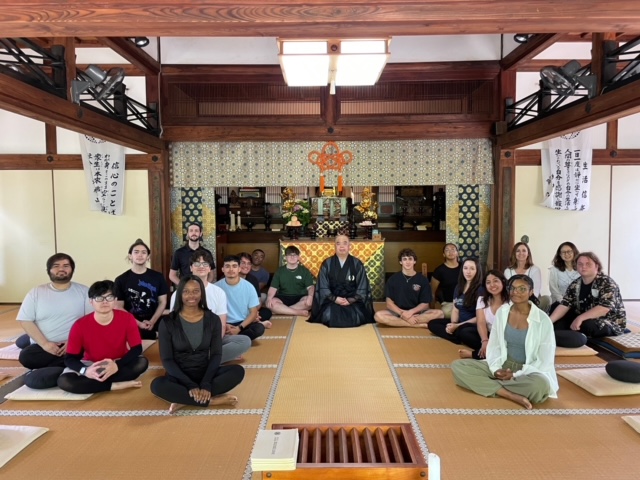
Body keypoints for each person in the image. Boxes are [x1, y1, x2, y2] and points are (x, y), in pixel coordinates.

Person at [451, 275, 558, 409]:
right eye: (512, 288)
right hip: (502, 363)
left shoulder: (543, 320)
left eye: (522, 289)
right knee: (458, 366)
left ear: (531, 292)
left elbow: (545, 360)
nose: (516, 292)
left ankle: (489, 386)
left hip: (528, 370)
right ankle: (509, 394)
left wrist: (515, 374)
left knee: (540, 386)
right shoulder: (503, 312)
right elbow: (494, 345)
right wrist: (496, 370)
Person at [151, 275, 245, 414]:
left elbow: (215, 354)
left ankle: (184, 400)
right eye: (186, 291)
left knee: (238, 371)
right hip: (179, 377)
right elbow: (167, 360)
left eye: (196, 291)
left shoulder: (212, 319)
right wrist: (190, 385)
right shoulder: (168, 322)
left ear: (202, 293)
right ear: (179, 294)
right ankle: (210, 401)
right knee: (157, 385)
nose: (191, 295)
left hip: (205, 373)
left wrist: (206, 383)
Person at [57, 280, 149, 394]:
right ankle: (114, 385)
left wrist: (116, 365)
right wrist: (85, 371)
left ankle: (93, 384)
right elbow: (70, 358)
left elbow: (136, 348)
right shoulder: (79, 325)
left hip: (118, 363)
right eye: (99, 298)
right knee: (64, 381)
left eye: (109, 297)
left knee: (142, 362)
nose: (105, 302)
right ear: (91, 301)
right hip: (91, 364)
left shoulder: (127, 318)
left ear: (115, 300)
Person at [16, 253, 93, 389]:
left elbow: (91, 321)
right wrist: (45, 344)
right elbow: (25, 320)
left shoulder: (83, 291)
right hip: (44, 347)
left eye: (66, 266)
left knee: (94, 347)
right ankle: (69, 365)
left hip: (75, 344)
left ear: (72, 270)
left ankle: (61, 366)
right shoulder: (36, 292)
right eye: (56, 266)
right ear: (49, 270)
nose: (61, 269)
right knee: (26, 356)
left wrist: (73, 342)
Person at [169, 249, 251, 364]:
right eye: (197, 264)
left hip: (211, 339)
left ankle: (201, 360)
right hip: (186, 340)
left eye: (205, 264)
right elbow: (174, 325)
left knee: (244, 341)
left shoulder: (218, 292)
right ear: (191, 267)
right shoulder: (180, 292)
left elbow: (221, 324)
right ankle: (210, 359)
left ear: (209, 268)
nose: (201, 266)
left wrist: (212, 345)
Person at [550, 252, 626, 347]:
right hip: (583, 316)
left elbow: (604, 308)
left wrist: (580, 318)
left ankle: (564, 337)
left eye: (588, 264)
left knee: (588, 325)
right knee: (556, 308)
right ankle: (561, 335)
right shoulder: (575, 284)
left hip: (607, 320)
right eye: (580, 264)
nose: (583, 267)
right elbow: (565, 304)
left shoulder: (607, 283)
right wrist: (548, 322)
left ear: (596, 266)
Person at [310, 235, 374, 328]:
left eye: (345, 243)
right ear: (334, 246)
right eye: (338, 243)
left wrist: (350, 300)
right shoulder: (327, 263)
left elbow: (362, 286)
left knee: (357, 317)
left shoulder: (357, 263)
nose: (342, 246)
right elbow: (322, 286)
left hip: (353, 300)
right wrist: (335, 299)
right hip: (332, 300)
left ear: (349, 246)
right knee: (328, 316)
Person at [114, 239, 169, 340]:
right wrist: (138, 323)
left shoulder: (158, 277)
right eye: (136, 252)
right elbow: (118, 307)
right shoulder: (121, 280)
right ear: (130, 256)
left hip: (155, 324)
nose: (140, 255)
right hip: (130, 325)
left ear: (148, 256)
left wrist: (152, 321)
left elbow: (162, 302)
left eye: (144, 252)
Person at [374, 248, 444, 328]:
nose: (407, 262)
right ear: (400, 262)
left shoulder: (422, 279)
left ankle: (402, 323)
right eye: (404, 259)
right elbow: (389, 304)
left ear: (414, 261)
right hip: (398, 312)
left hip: (417, 312)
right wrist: (402, 314)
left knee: (440, 314)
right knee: (378, 316)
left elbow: (425, 304)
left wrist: (410, 313)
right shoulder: (393, 279)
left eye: (410, 259)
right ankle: (416, 325)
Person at [428, 258, 484, 344]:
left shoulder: (480, 290)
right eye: (465, 268)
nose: (468, 272)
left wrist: (458, 326)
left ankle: (457, 336)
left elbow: (480, 318)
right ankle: (456, 337)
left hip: (471, 325)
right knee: (432, 324)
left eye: (472, 268)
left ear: (477, 271)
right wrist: (453, 323)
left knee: (464, 332)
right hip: (459, 323)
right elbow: (455, 309)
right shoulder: (459, 287)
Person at [458, 270, 509, 359]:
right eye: (488, 282)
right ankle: (488, 350)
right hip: (490, 334)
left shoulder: (510, 302)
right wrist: (484, 340)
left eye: (496, 281)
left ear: (503, 282)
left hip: (506, 337)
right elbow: (481, 322)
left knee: (507, 348)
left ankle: (474, 354)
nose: (492, 285)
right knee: (464, 331)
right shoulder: (482, 300)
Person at [215, 255, 265, 341]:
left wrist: (239, 328)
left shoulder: (249, 286)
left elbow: (253, 312)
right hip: (224, 322)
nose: (231, 269)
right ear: (222, 269)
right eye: (227, 266)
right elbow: (212, 312)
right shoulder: (216, 287)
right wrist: (225, 324)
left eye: (234, 266)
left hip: (242, 322)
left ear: (239, 269)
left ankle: (231, 338)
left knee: (259, 329)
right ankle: (238, 339)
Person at [265, 245, 315, 317]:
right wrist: (269, 298)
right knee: (271, 303)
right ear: (285, 257)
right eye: (289, 255)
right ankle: (297, 312)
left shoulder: (304, 271)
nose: (292, 257)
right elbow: (273, 288)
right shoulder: (279, 271)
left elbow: (310, 287)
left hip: (300, 297)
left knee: (311, 301)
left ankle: (281, 311)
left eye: (295, 255)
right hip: (283, 297)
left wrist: (310, 296)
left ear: (298, 257)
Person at [504, 242, 549, 310]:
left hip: (530, 301)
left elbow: (535, 291)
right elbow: (508, 291)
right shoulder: (508, 271)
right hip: (513, 301)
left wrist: (526, 304)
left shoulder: (535, 269)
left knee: (547, 299)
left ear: (528, 254)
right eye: (518, 251)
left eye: (524, 251)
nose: (521, 253)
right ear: (514, 254)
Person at [238, 252, 272, 324]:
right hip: (233, 311)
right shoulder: (230, 278)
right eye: (243, 263)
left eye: (249, 263)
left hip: (249, 309)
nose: (246, 266)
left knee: (267, 312)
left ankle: (249, 321)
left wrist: (253, 314)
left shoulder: (253, 279)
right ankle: (249, 322)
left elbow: (258, 300)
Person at [430, 243, 461, 318]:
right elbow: (432, 292)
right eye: (447, 250)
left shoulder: (464, 267)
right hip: (448, 303)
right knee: (448, 313)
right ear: (444, 254)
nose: (450, 252)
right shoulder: (439, 271)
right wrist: (431, 309)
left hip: (464, 301)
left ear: (457, 253)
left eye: (453, 249)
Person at [549, 242, 580, 308]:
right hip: (560, 303)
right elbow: (553, 289)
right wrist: (564, 302)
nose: (566, 254)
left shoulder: (581, 268)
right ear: (560, 254)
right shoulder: (554, 270)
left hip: (578, 303)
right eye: (563, 252)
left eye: (569, 251)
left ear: (574, 252)